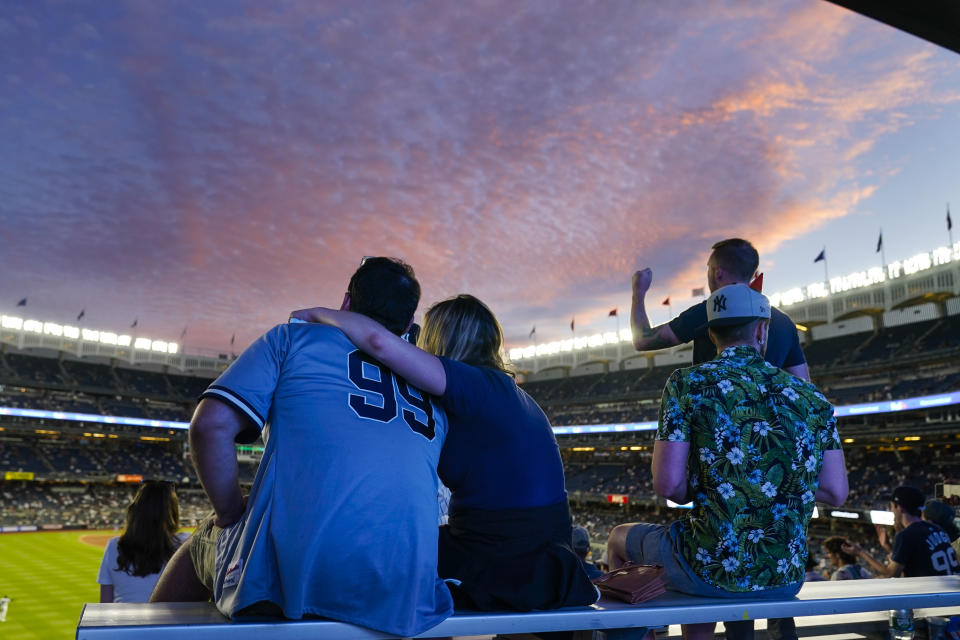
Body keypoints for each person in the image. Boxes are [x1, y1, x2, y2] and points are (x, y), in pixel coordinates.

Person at [151, 257, 454, 638]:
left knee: (201, 542)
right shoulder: (433, 385)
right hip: (407, 590)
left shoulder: (292, 339)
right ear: (409, 325)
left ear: (345, 303)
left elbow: (210, 425)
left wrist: (229, 514)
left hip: (300, 577)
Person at [291, 294, 598, 612]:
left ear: (444, 337)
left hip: (503, 556)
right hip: (542, 553)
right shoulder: (510, 394)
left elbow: (377, 342)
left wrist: (318, 313)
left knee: (357, 554)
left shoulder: (474, 385)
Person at [607, 284, 848, 640]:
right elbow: (835, 491)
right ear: (762, 329)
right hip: (784, 576)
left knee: (617, 538)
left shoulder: (687, 383)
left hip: (708, 567)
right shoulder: (811, 395)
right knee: (696, 553)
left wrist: (717, 479)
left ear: (710, 334)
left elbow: (669, 486)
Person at [631, 238, 809, 379]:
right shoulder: (784, 321)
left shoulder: (709, 311)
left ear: (718, 272)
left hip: (715, 421)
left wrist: (638, 292)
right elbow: (803, 385)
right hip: (765, 424)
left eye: (708, 269)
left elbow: (643, 340)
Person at [97, 481, 187, 603]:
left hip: (123, 621)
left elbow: (105, 604)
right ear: (172, 511)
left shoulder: (114, 545)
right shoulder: (186, 542)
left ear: (136, 510)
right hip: (169, 621)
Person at [844, 486, 959, 578]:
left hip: (932, 600)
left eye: (892, 507)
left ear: (900, 508)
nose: (892, 510)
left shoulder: (906, 535)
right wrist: (888, 547)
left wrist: (860, 552)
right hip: (951, 595)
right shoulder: (937, 529)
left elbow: (891, 574)